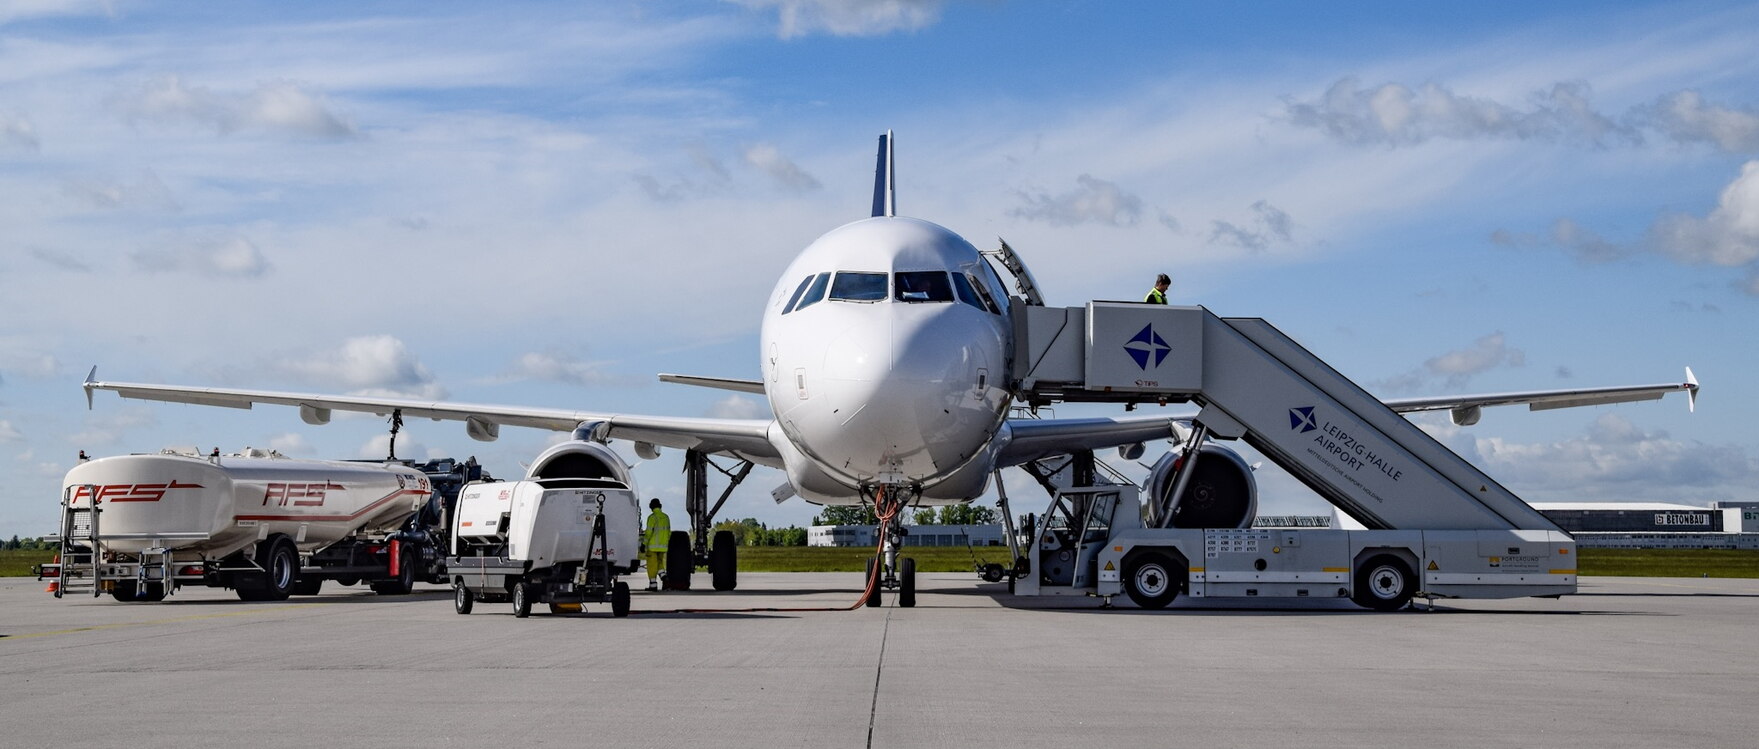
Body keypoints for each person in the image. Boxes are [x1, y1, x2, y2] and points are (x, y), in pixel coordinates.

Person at [644, 498, 671, 591]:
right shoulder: (666, 517)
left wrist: (644, 543)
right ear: (660, 506)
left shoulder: (652, 517)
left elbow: (648, 533)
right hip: (663, 547)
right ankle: (664, 577)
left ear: (651, 507)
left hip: (653, 547)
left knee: (652, 566)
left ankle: (653, 585)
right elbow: (668, 532)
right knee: (660, 564)